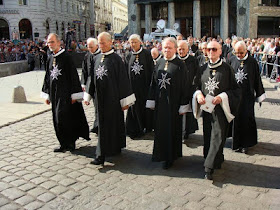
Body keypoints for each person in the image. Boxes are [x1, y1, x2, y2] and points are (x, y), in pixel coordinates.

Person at [84, 32, 136, 165]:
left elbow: (123, 81)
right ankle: (100, 155)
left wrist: (125, 102)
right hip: (99, 100)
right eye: (99, 43)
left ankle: (115, 147)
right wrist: (88, 95)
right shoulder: (96, 58)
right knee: (102, 126)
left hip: (113, 100)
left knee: (114, 124)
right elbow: (91, 77)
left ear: (110, 42)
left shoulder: (116, 60)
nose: (100, 45)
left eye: (103, 42)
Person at [193, 41, 241, 180]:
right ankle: (215, 159)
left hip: (221, 109)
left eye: (214, 49)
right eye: (208, 49)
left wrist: (222, 96)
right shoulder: (201, 69)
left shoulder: (227, 69)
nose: (211, 52)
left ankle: (209, 167)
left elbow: (236, 90)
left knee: (218, 135)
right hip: (207, 109)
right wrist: (198, 94)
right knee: (209, 135)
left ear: (220, 51)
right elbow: (195, 86)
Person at [41, 33, 90, 153]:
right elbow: (47, 76)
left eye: (52, 42)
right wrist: (47, 94)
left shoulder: (66, 57)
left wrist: (75, 94)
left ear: (59, 42)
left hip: (66, 94)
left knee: (66, 118)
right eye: (48, 42)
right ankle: (63, 143)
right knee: (57, 119)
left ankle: (70, 143)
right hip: (54, 94)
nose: (50, 45)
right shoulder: (50, 58)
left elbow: (73, 76)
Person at [146, 37, 190, 169]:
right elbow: (153, 83)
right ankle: (160, 154)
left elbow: (185, 86)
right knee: (160, 130)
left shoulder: (180, 65)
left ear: (175, 49)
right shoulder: (159, 62)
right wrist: (152, 100)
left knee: (172, 130)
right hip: (160, 104)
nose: (167, 50)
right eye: (165, 47)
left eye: (170, 47)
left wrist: (183, 104)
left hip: (173, 105)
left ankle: (170, 157)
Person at [228, 41, 266, 154]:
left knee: (246, 120)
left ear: (246, 50)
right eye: (237, 52)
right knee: (235, 120)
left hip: (247, 97)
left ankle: (246, 144)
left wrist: (259, 94)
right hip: (235, 97)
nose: (239, 55)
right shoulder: (232, 60)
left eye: (241, 52)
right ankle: (236, 142)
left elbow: (257, 79)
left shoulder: (252, 62)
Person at [125, 34, 154, 139]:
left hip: (144, 87)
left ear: (140, 42)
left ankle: (146, 126)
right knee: (133, 107)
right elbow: (125, 71)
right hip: (132, 88)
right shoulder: (128, 55)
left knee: (144, 107)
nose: (133, 44)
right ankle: (135, 127)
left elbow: (151, 70)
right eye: (131, 42)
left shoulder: (146, 54)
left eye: (135, 42)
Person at [177, 40, 199, 140]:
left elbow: (197, 74)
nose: (181, 51)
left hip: (189, 89)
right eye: (179, 49)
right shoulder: (175, 60)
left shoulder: (193, 60)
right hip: (177, 91)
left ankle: (186, 131)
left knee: (188, 112)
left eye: (183, 49)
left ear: (187, 50)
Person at [81, 38, 101, 134]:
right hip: (90, 84)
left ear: (97, 45)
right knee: (95, 105)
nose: (90, 49)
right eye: (88, 47)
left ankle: (98, 125)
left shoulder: (101, 55)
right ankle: (97, 124)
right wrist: (83, 84)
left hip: (99, 85)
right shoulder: (87, 55)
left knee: (99, 105)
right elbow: (84, 71)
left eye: (91, 47)